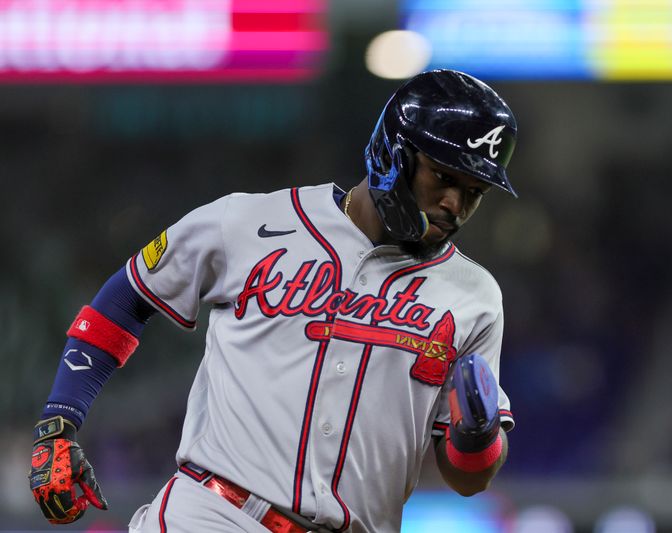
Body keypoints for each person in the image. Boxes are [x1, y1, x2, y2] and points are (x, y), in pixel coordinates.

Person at [29, 69, 518, 532]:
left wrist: (477, 439)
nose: (456, 204)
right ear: (395, 153)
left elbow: (468, 477)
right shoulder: (249, 222)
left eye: (474, 191)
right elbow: (126, 298)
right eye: (443, 177)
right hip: (212, 514)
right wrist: (61, 420)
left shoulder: (474, 297)